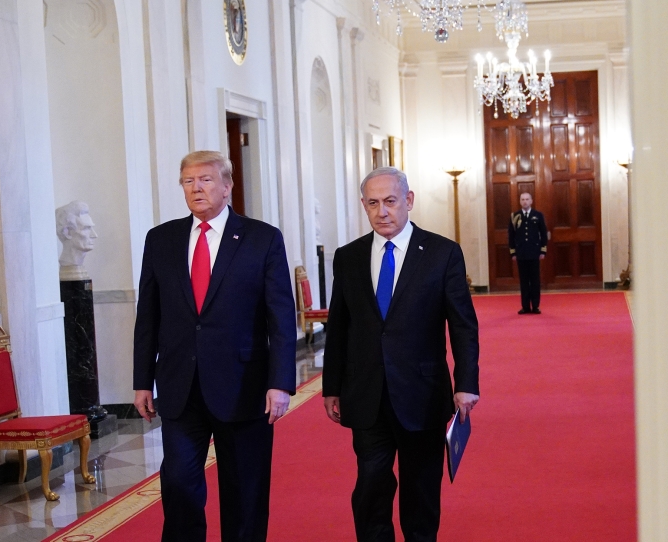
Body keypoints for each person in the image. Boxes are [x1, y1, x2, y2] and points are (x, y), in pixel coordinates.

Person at [132, 151, 297, 542]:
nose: (197, 188)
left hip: (244, 385)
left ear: (227, 186)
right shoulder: (161, 239)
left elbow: (280, 315)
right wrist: (142, 380)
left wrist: (281, 382)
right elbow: (148, 315)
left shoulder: (262, 238)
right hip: (179, 385)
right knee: (179, 485)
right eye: (188, 181)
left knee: (244, 490)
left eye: (205, 180)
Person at [322, 167, 480, 542]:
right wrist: (331, 386)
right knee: (371, 484)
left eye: (390, 202)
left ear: (408, 201)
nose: (383, 212)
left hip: (422, 393)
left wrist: (466, 383)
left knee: (420, 489)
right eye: (373, 204)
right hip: (366, 395)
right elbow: (339, 327)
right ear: (364, 206)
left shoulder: (442, 253)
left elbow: (462, 325)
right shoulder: (348, 257)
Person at [508, 192, 548, 315]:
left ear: (531, 201)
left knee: (535, 280)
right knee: (524, 281)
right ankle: (525, 306)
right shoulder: (515, 216)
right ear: (520, 201)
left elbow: (543, 233)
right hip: (521, 253)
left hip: (534, 252)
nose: (525, 201)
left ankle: (535, 306)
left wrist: (543, 250)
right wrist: (513, 252)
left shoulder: (538, 215)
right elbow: (511, 235)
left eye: (527, 199)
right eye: (522, 199)